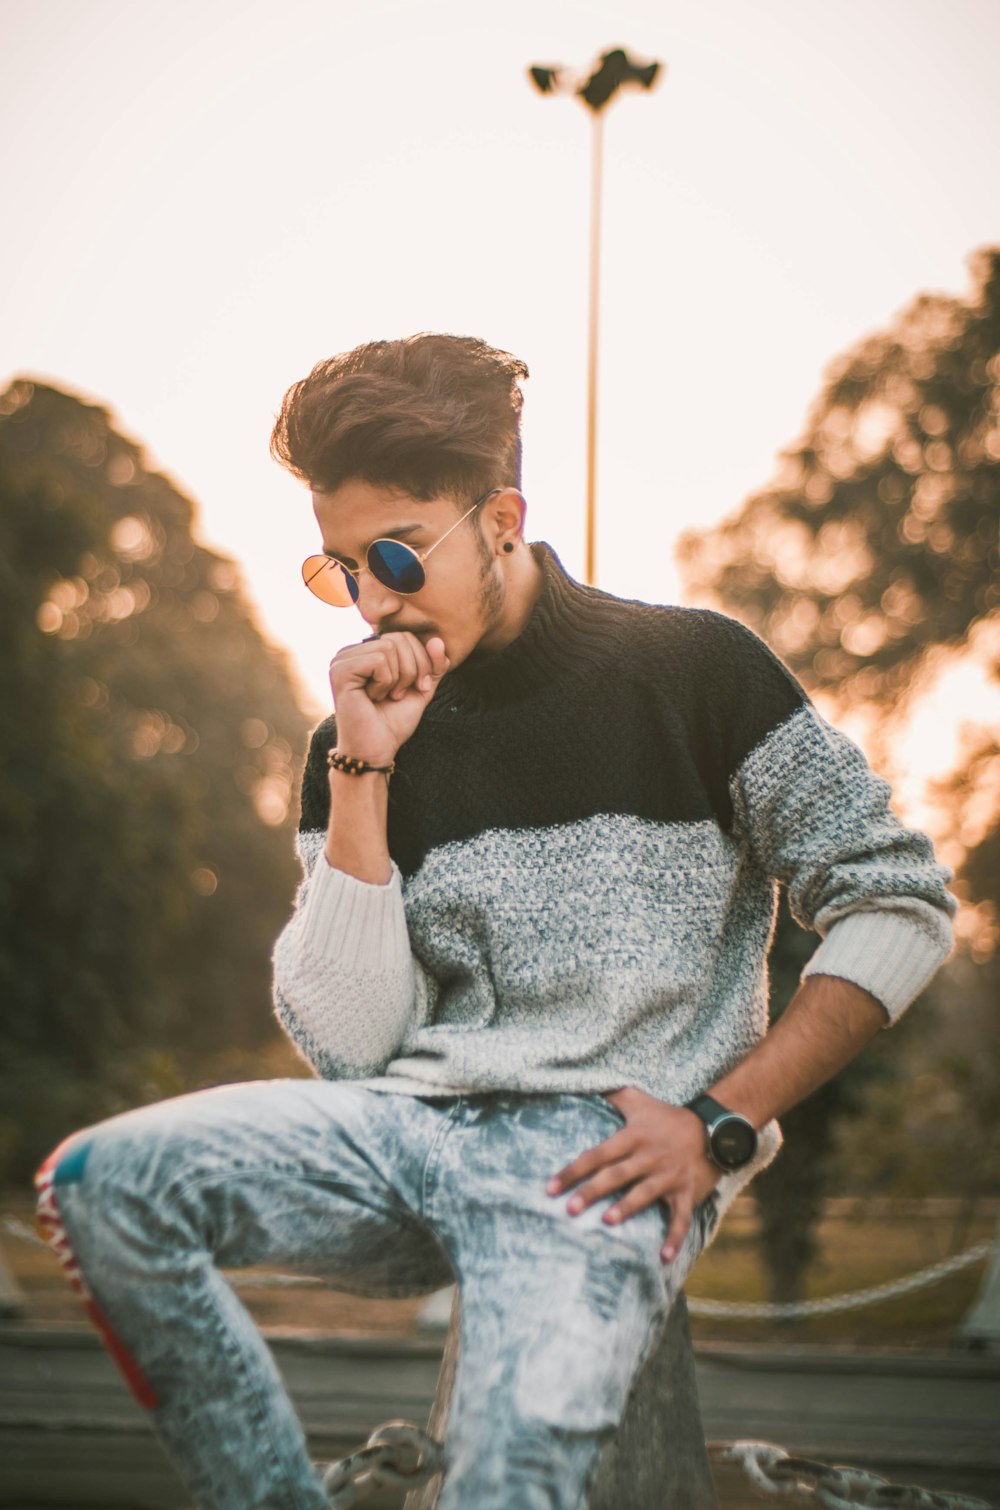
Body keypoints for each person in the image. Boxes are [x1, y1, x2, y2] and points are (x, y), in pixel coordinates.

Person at [36, 333, 957, 1510]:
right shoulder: (352, 738)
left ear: (501, 515)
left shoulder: (694, 670)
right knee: (106, 1186)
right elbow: (353, 1046)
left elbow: (898, 903)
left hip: (599, 1158)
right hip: (408, 1123)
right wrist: (367, 774)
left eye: (395, 556)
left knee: (505, 1483)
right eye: (338, 569)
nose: (373, 600)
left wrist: (720, 1123)